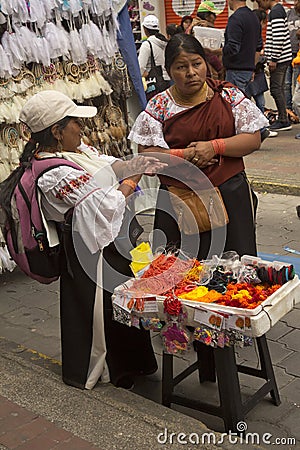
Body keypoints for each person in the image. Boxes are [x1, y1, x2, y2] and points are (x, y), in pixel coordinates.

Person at [7, 90, 166, 390]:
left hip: (107, 245)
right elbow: (106, 205)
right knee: (101, 310)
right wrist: (133, 179)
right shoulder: (55, 173)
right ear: (56, 131)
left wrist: (134, 165)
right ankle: (111, 371)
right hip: (90, 253)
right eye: (74, 124)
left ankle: (134, 364)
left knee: (123, 301)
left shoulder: (74, 153)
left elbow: (107, 165)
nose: (82, 128)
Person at [129, 33, 269, 261]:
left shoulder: (227, 95)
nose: (191, 73)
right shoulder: (160, 105)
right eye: (181, 67)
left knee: (235, 269)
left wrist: (214, 147)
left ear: (206, 63)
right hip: (179, 199)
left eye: (196, 64)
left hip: (229, 194)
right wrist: (186, 154)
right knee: (182, 270)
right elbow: (147, 155)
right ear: (169, 71)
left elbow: (252, 138)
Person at [260, 0, 293, 131]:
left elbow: (278, 37)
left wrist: (273, 58)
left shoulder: (276, 12)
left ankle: (284, 120)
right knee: (278, 89)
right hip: (281, 57)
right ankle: (283, 118)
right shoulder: (277, 10)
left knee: (276, 89)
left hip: (279, 59)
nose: (260, 4)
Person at [222, 0, 262, 92]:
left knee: (233, 104)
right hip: (247, 71)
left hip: (235, 71)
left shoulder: (235, 18)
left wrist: (213, 50)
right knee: (243, 103)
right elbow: (258, 47)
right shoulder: (254, 17)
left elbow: (232, 48)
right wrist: (252, 68)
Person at [138, 14, 171, 99]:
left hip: (154, 83)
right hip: (168, 81)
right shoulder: (165, 42)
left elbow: (140, 67)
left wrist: (145, 73)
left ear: (145, 29)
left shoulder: (147, 44)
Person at [285, 0, 300, 113]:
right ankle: (288, 110)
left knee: (297, 83)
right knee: (286, 84)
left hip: (298, 54)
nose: (296, 3)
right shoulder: (289, 13)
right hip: (288, 52)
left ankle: (297, 110)